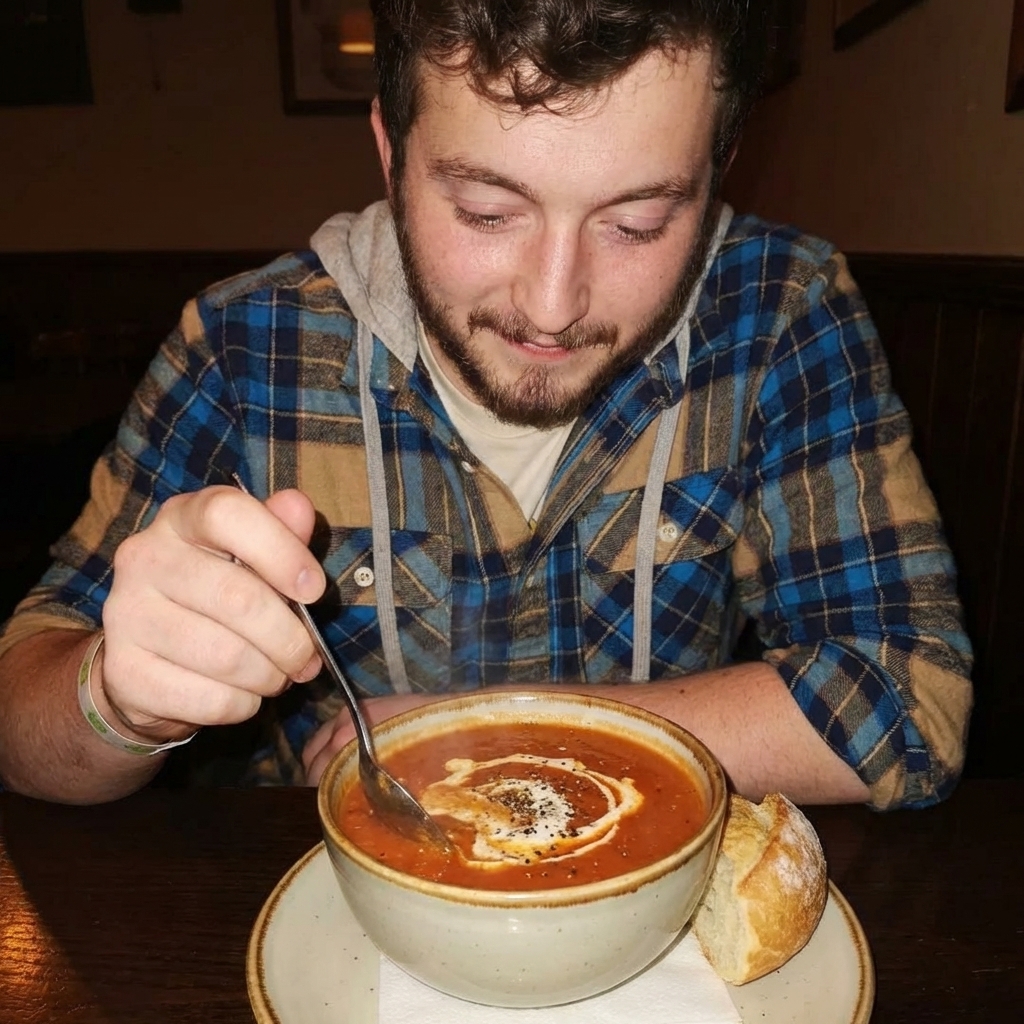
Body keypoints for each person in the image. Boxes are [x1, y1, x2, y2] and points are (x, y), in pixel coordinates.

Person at [0, 0, 971, 810]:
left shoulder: (780, 311)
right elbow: (21, 721)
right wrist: (116, 701)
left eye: (637, 222)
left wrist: (475, 733)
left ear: (713, 178)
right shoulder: (242, 348)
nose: (554, 304)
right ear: (390, 152)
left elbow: (910, 697)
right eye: (486, 212)